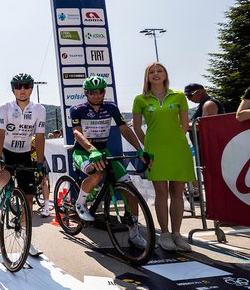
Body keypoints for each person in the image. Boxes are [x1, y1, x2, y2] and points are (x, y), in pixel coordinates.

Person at [70, 76, 152, 249]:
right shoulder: (77, 109)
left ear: (104, 92)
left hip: (104, 151)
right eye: (91, 92)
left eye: (99, 91)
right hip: (83, 151)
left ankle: (134, 234)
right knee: (97, 173)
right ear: (85, 93)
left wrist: (139, 149)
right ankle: (80, 203)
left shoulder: (111, 108)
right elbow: (77, 133)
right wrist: (91, 150)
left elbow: (124, 129)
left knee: (130, 190)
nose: (95, 95)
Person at [0, 73, 47, 257]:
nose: (22, 89)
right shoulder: (6, 108)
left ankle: (27, 240)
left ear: (31, 88)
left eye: (26, 86)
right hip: (6, 151)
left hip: (25, 154)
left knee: (28, 199)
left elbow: (40, 137)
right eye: (18, 86)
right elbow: (0, 134)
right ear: (13, 90)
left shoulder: (39, 109)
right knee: (4, 178)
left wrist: (40, 163)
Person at [133, 63, 194, 252]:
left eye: (159, 71)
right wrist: (147, 147)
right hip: (154, 152)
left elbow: (185, 125)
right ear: (147, 77)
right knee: (162, 194)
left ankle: (177, 234)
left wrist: (174, 141)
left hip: (178, 150)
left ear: (166, 74)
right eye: (151, 72)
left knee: (178, 192)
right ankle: (165, 234)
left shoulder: (179, 96)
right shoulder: (140, 99)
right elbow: (136, 127)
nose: (156, 74)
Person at [184, 83, 224, 200]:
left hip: (212, 149)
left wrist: (184, 126)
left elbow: (205, 126)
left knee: (214, 179)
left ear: (199, 91)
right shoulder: (203, 104)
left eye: (189, 96)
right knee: (209, 179)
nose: (189, 99)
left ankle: (218, 206)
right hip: (205, 148)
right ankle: (216, 205)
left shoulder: (209, 104)